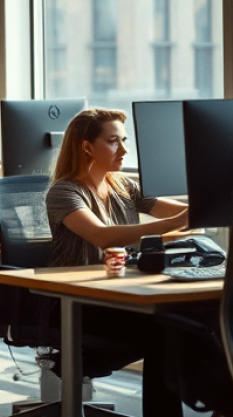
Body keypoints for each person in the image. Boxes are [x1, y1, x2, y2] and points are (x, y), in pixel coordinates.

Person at [44, 108, 190, 417]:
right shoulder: (64, 191)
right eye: (113, 142)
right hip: (77, 302)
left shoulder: (124, 186)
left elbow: (179, 214)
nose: (123, 150)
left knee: (189, 320)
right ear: (86, 147)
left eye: (123, 140)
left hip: (117, 295)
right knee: (165, 331)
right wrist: (175, 222)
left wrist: (206, 203)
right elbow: (102, 235)